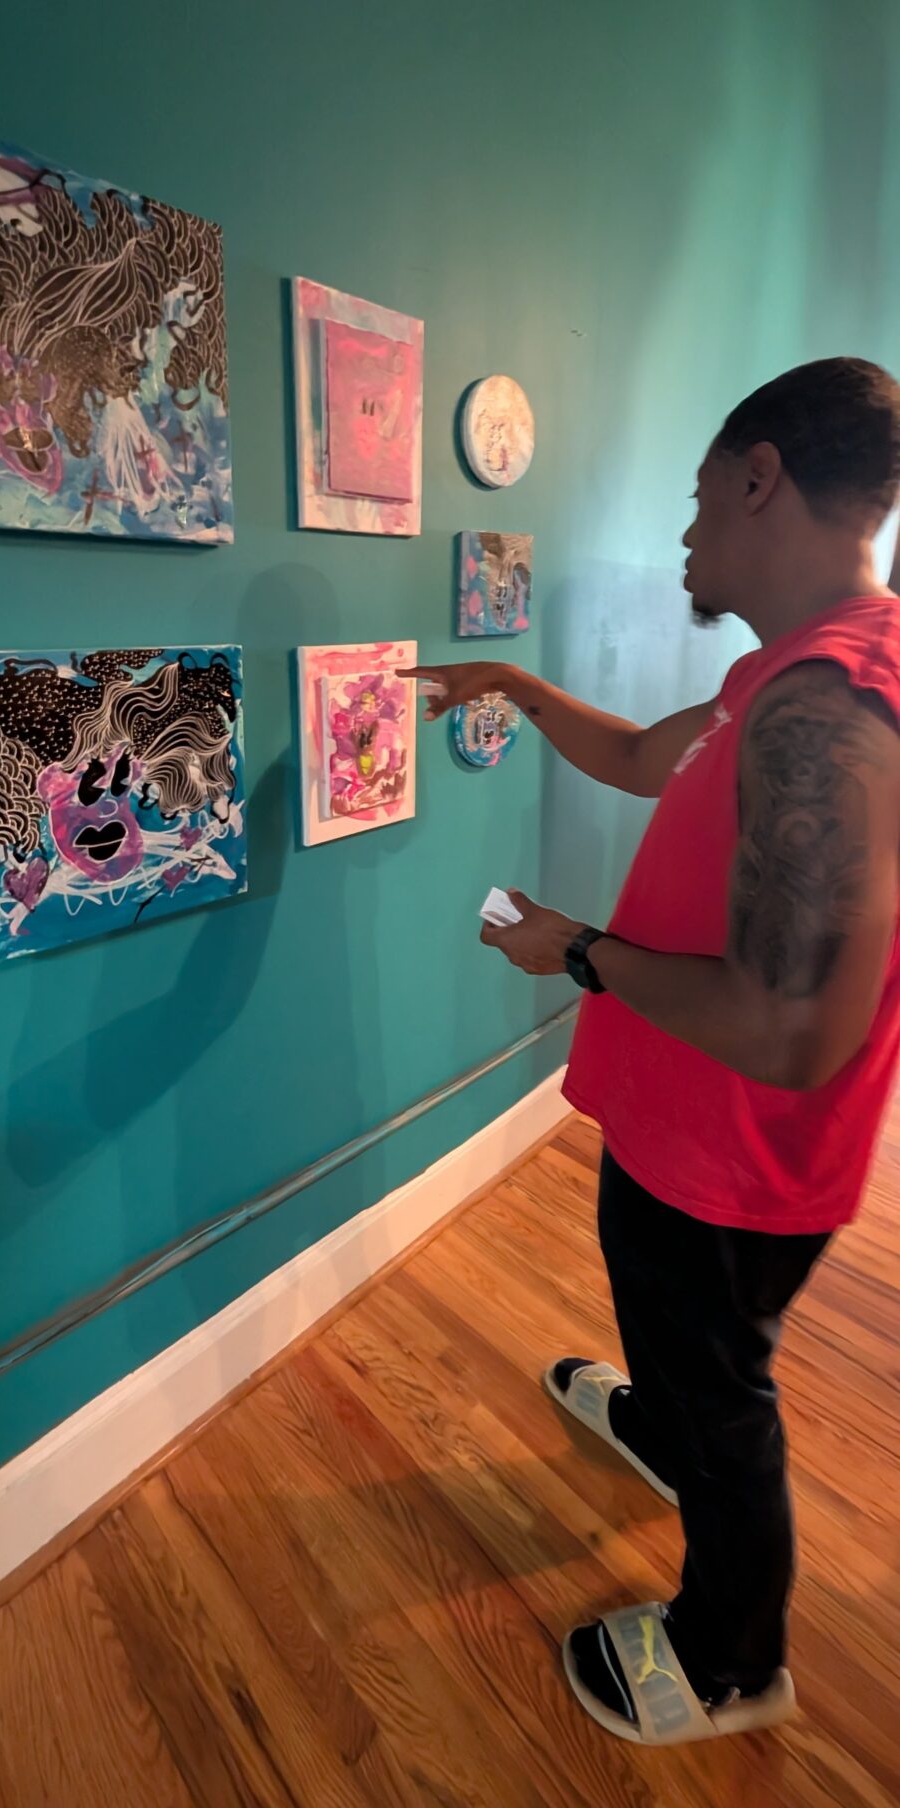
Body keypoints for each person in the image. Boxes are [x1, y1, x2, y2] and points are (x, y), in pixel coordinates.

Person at [402, 356, 900, 1749]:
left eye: (697, 498)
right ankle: (662, 1432)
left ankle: (732, 1660)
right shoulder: (772, 679)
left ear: (759, 478)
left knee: (725, 1390)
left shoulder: (829, 707)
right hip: (680, 1123)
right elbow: (637, 758)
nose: (684, 534)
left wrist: (576, 951)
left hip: (737, 1159)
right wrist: (512, 683)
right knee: (673, 1333)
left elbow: (793, 1031)